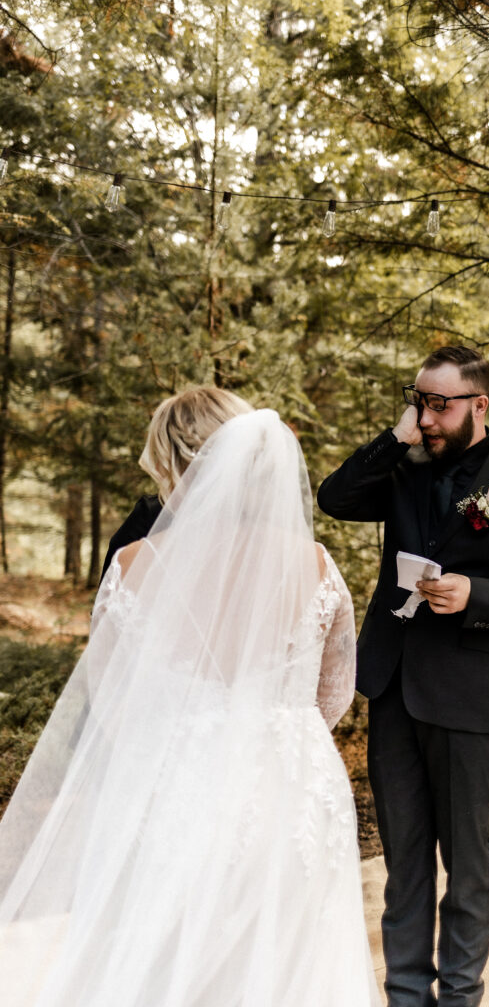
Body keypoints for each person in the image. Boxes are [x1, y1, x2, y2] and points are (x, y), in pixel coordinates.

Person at [0, 387, 381, 1007]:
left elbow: (112, 702)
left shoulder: (132, 564)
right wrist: (271, 729)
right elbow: (334, 695)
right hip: (292, 787)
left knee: (167, 959)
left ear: (180, 465)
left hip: (172, 783)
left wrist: (185, 736)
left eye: (160, 471)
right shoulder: (315, 564)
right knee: (289, 958)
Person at [317, 346, 489, 1007]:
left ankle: (458, 999)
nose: (427, 417)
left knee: (466, 865)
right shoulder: (402, 469)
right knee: (403, 862)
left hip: (469, 696)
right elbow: (335, 498)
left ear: (479, 404)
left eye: (439, 404)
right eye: (419, 401)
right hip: (393, 686)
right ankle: (405, 996)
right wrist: (395, 435)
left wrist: (477, 595)